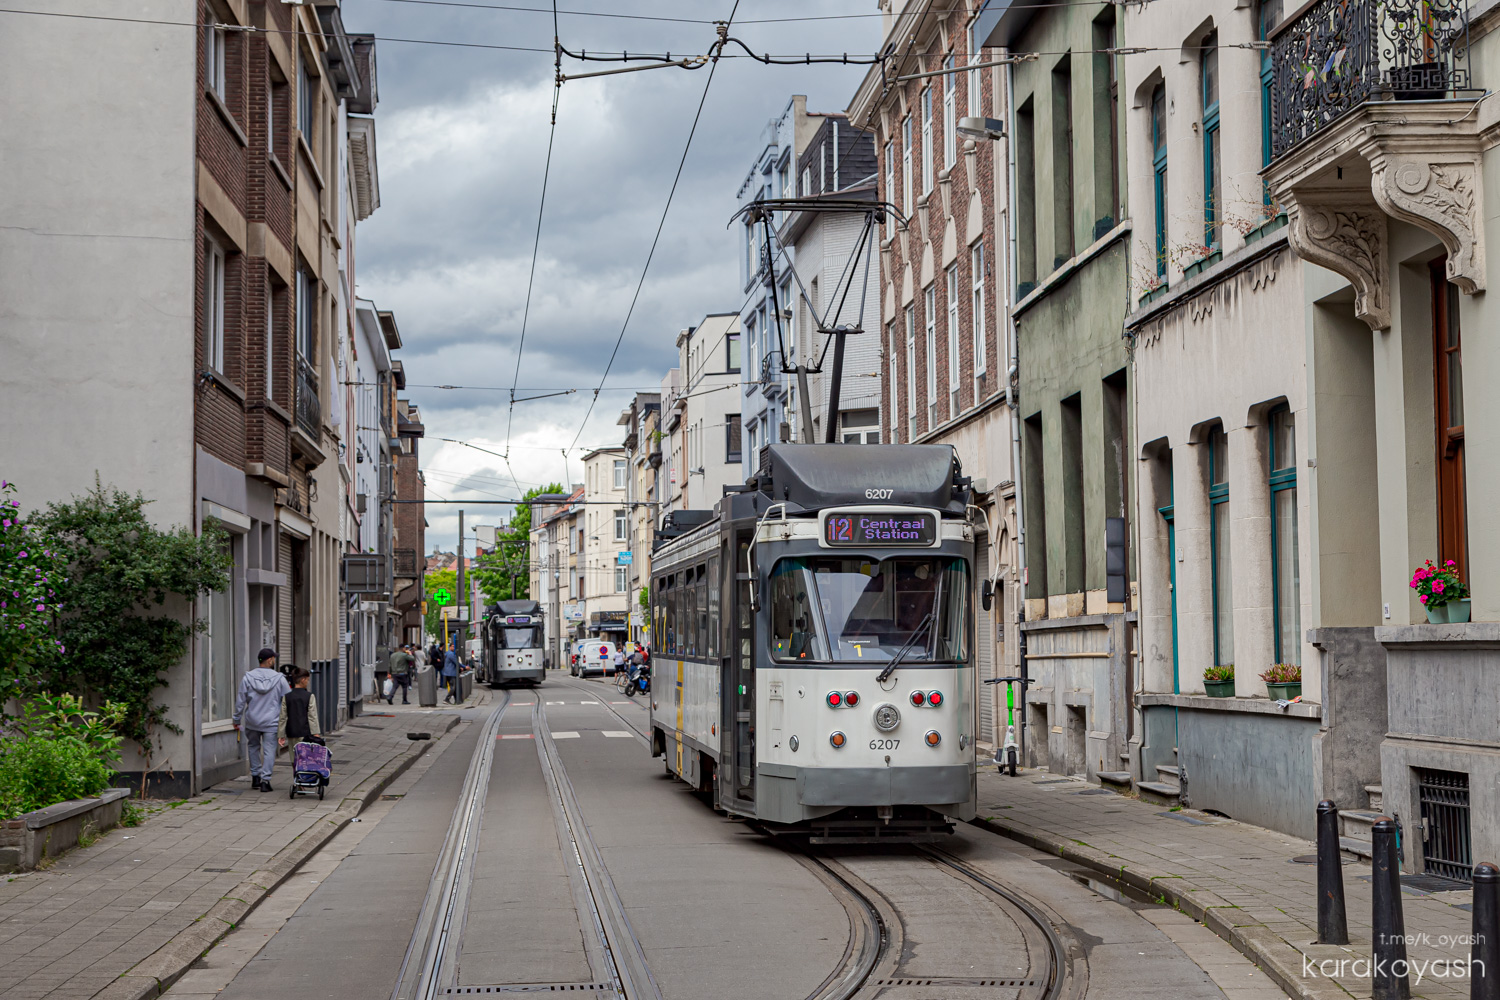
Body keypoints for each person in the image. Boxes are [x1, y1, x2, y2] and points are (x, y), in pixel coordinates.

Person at [234, 647, 290, 792]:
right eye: (274, 658)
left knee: (253, 747)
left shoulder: (248, 677)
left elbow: (241, 700)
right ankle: (266, 781)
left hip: (252, 720)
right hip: (271, 721)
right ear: (270, 659)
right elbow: (288, 699)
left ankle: (255, 777)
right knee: (269, 750)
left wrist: (236, 719)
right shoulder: (279, 679)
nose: (274, 660)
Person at [278, 666, 322, 750]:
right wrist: (316, 733)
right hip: (305, 734)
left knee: (293, 759)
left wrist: (281, 735)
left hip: (291, 733)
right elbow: (312, 717)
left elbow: (282, 717)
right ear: (303, 680)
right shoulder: (309, 696)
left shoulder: (287, 697)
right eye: (307, 680)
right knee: (304, 760)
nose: (308, 682)